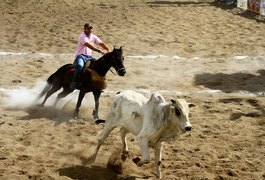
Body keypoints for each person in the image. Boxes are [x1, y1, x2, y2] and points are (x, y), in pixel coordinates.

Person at [70, 22, 110, 90]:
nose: (89, 30)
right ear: (84, 29)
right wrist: (100, 51)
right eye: (88, 28)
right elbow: (89, 46)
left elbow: (101, 43)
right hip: (80, 56)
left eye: (90, 29)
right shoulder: (82, 36)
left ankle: (98, 84)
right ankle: (74, 82)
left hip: (89, 57)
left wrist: (108, 49)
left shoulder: (93, 36)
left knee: (98, 66)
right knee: (80, 66)